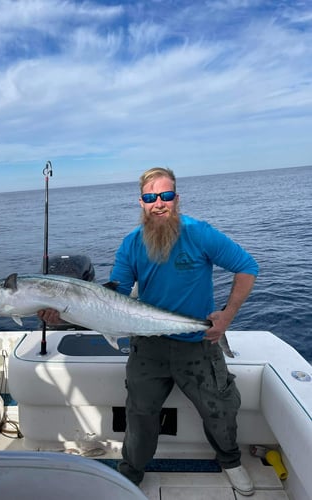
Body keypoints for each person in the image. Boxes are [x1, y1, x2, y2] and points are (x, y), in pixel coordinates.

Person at [38, 167, 258, 496]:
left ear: (176, 199)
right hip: (147, 345)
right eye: (150, 197)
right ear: (140, 202)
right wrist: (63, 315)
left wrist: (226, 316)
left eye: (166, 196)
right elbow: (115, 297)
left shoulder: (200, 233)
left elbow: (247, 267)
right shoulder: (130, 244)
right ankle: (131, 472)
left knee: (219, 408)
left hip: (198, 343)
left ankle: (230, 460)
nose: (159, 203)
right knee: (139, 413)